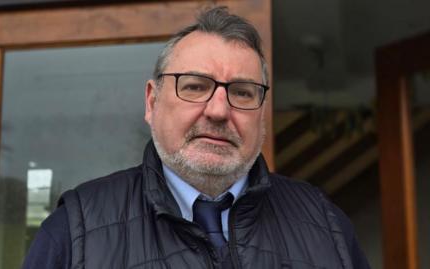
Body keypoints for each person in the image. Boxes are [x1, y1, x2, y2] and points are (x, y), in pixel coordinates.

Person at [22, 6, 370, 269]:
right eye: (195, 86)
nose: (218, 110)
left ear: (261, 111)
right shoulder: (77, 231)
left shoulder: (327, 226)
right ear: (152, 101)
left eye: (243, 93)